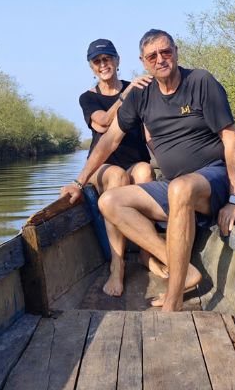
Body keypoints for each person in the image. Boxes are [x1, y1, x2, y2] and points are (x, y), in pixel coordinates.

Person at [61, 29, 235, 311]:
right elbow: (109, 139)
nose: (160, 59)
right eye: (152, 56)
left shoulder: (200, 81)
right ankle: (181, 268)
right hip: (174, 187)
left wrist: (234, 199)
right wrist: (78, 181)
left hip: (211, 179)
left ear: (176, 52)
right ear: (143, 62)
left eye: (165, 52)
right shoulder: (139, 95)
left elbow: (232, 139)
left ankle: (173, 300)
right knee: (110, 201)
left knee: (179, 187)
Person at [77, 39, 155, 297]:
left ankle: (147, 252)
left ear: (117, 61)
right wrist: (126, 94)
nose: (103, 65)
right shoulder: (88, 98)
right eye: (97, 61)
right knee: (118, 177)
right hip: (104, 166)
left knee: (144, 171)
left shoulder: (138, 90)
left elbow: (149, 133)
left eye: (107, 59)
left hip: (135, 161)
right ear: (91, 67)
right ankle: (117, 264)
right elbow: (102, 122)